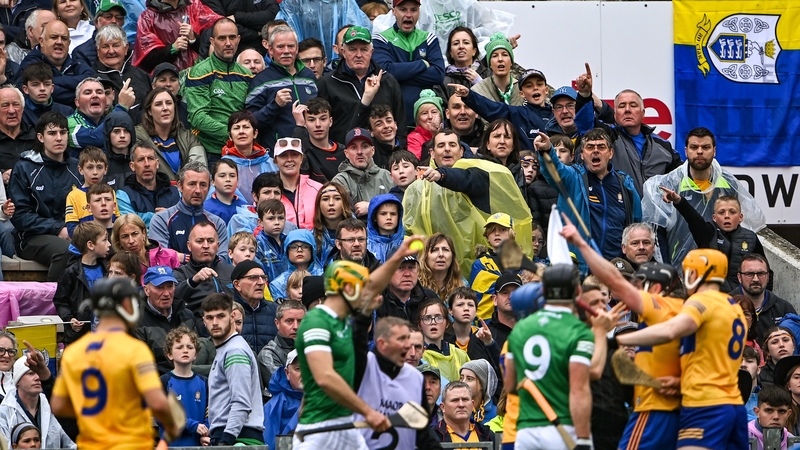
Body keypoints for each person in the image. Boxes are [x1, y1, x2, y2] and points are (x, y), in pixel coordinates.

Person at [563, 218, 684, 450]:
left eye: (639, 283)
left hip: (655, 409)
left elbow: (613, 280)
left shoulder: (659, 309)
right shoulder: (683, 313)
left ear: (655, 289)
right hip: (677, 408)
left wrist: (581, 244)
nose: (633, 288)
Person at [292, 238, 422, 449]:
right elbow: (325, 377)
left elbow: (374, 283)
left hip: (345, 425)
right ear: (349, 290)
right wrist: (368, 411)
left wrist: (398, 256)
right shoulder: (317, 321)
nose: (369, 292)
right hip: (319, 432)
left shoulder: (341, 322)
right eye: (362, 288)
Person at [616, 248, 749, 450]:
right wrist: (680, 381)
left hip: (705, 403)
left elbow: (671, 330)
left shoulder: (701, 300)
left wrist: (620, 340)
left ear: (696, 273)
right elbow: (711, 357)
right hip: (733, 403)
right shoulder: (733, 306)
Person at [51, 277, 183, 448]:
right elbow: (157, 403)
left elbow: (58, 405)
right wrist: (172, 427)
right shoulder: (134, 349)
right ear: (128, 305)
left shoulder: (73, 352)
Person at [642, 127, 765, 268]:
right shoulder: (669, 185)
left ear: (714, 151)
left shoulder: (729, 184)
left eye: (705, 147)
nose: (699, 151)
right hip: (681, 270)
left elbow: (737, 229)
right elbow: (657, 235)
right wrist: (668, 271)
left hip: (720, 271)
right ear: (686, 151)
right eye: (694, 147)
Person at [504, 264, 594, 450]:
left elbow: (510, 385)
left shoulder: (521, 328)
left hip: (526, 433)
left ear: (543, 291)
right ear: (578, 290)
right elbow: (579, 391)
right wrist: (584, 439)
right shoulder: (578, 330)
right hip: (562, 429)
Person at [534, 128, 642, 272]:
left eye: (601, 147)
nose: (595, 151)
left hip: (616, 269)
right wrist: (547, 151)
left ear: (610, 153)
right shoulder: (572, 179)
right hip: (581, 268)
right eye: (590, 147)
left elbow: (636, 225)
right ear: (582, 155)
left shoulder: (625, 185)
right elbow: (555, 170)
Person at [352, 316, 443, 450]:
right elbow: (357, 340)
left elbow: (423, 434)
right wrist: (364, 311)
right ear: (382, 344)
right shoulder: (364, 366)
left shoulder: (416, 378)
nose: (407, 346)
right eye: (401, 339)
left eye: (408, 338)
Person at [9, 112, 81, 281]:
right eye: (52, 133)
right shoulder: (24, 168)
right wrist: (57, 228)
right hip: (31, 237)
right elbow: (20, 216)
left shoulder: (78, 168)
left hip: (74, 232)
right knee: (67, 250)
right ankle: (55, 303)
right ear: (41, 137)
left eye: (63, 133)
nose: (59, 138)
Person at [317, 25, 406, 145]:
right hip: (343, 154)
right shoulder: (328, 82)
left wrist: (398, 148)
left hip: (382, 156)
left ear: (371, 52)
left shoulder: (388, 81)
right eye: (352, 49)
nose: (358, 55)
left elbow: (400, 123)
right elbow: (322, 126)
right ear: (343, 51)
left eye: (364, 49)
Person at [661, 189, 766, 291]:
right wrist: (679, 201)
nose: (726, 216)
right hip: (713, 298)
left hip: (742, 300)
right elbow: (693, 218)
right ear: (714, 218)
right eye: (721, 212)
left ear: (740, 217)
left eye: (732, 212)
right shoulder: (708, 233)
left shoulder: (751, 237)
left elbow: (765, 271)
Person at [588, 89, 681, 196]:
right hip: (619, 210)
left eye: (633, 105)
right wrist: (585, 96)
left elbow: (682, 177)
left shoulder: (662, 145)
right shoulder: (608, 137)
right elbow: (585, 124)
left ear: (643, 113)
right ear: (615, 115)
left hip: (655, 212)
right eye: (622, 106)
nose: (627, 110)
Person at [184, 18, 252, 164]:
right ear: (212, 41)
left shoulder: (247, 75)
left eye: (232, 37)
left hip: (241, 151)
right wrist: (231, 134)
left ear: (238, 39)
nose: (228, 43)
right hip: (211, 152)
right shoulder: (200, 72)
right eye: (222, 38)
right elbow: (198, 117)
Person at [201, 293, 265, 445]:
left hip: (238, 437)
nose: (215, 322)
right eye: (209, 318)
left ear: (232, 318)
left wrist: (226, 441)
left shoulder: (234, 350)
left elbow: (241, 402)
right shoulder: (227, 349)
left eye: (221, 316)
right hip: (232, 434)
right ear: (203, 321)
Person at [245, 25, 317, 150]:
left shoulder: (309, 76)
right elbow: (250, 122)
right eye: (280, 47)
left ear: (297, 49)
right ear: (270, 50)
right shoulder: (261, 80)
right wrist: (275, 105)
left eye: (290, 46)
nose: (286, 51)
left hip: (311, 149)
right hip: (279, 152)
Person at [373, 0, 444, 126]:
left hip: (425, 121)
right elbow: (384, 72)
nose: (409, 14)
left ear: (419, 12)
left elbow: (438, 74)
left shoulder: (429, 39)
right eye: (403, 9)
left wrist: (399, 76)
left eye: (413, 10)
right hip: (393, 120)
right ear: (393, 11)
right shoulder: (381, 39)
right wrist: (422, 64)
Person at [149, 161, 229, 255]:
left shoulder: (218, 224)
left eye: (203, 185)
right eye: (192, 184)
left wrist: (179, 257)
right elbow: (160, 258)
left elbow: (222, 259)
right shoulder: (162, 220)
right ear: (180, 186)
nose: (198, 190)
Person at [53, 221, 110, 344]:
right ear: (90, 245)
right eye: (105, 240)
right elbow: (60, 301)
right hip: (78, 338)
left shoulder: (108, 270)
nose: (109, 244)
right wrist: (70, 319)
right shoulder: (71, 272)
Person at [0, 356, 75, 448]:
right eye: (31, 373)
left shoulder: (54, 405)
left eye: (39, 373)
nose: (37, 377)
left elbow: (72, 444)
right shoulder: (4, 412)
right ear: (17, 381)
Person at [135, 265, 199, 374]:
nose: (166, 293)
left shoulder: (186, 314)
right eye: (159, 288)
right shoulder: (137, 321)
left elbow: (197, 352)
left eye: (170, 286)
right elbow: (141, 365)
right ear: (146, 290)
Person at [134, 88, 206, 182]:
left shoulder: (188, 137)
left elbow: (199, 171)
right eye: (158, 104)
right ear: (149, 111)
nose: (165, 108)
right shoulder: (137, 136)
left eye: (169, 103)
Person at [17, 20, 95, 105]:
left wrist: (54, 81)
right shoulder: (30, 63)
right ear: (41, 41)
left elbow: (91, 79)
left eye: (64, 38)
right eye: (54, 37)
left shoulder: (76, 61)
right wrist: (81, 94)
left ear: (69, 43)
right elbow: (44, 93)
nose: (59, 42)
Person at [132, 0, 220, 73]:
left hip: (198, 77)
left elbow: (218, 35)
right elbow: (146, 60)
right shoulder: (147, 17)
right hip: (166, 81)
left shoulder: (195, 7)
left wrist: (193, 39)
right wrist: (172, 49)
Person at [160, 327, 210, 446]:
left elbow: (209, 414)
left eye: (190, 347)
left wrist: (205, 433)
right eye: (179, 347)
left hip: (197, 445)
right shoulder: (164, 381)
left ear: (196, 354)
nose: (185, 350)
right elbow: (162, 416)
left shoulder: (204, 382)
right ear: (169, 354)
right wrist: (193, 426)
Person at [173, 221, 235, 318]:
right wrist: (192, 281)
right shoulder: (180, 274)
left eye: (210, 241)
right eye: (199, 241)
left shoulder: (231, 272)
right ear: (189, 246)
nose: (206, 246)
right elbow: (171, 301)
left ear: (218, 246)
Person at [331, 128, 394, 218]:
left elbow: (399, 208)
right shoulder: (340, 181)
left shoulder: (387, 176)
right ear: (346, 153)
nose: (359, 152)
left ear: (372, 150)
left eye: (364, 146)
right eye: (354, 147)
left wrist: (371, 206)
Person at [91, 24, 150, 119]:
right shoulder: (92, 81)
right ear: (98, 51)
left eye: (116, 45)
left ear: (126, 48)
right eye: (105, 46)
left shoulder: (142, 76)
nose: (111, 51)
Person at [221, 110, 278, 205]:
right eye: (236, 128)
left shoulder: (270, 163)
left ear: (255, 133)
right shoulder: (223, 166)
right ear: (230, 136)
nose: (241, 132)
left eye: (246, 127)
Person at [116, 142, 181, 226]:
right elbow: (132, 231)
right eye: (141, 159)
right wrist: (165, 218)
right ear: (132, 166)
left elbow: (186, 224)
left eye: (150, 158)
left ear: (157, 163)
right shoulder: (124, 196)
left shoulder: (176, 192)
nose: (147, 164)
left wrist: (169, 217)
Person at [736, 254, 796, 344]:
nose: (755, 279)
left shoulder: (784, 309)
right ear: (739, 277)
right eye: (749, 274)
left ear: (768, 276)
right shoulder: (726, 306)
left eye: (761, 274)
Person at [66, 76, 133, 152]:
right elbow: (96, 139)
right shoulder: (68, 123)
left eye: (99, 92)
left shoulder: (109, 117)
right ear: (77, 102)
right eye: (88, 93)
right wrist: (122, 107)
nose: (95, 95)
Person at [291, 97, 345, 184]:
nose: (318, 124)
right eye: (311, 120)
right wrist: (299, 126)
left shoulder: (344, 152)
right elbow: (297, 160)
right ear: (305, 123)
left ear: (330, 121)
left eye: (323, 119)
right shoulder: (305, 151)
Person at [375, 250, 438, 322]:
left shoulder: (429, 297)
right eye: (400, 268)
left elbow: (447, 331)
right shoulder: (378, 300)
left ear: (418, 271)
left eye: (411, 268)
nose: (407, 274)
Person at [112, 214, 182, 278]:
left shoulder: (170, 256)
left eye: (135, 234)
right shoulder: (118, 267)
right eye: (125, 236)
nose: (131, 241)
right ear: (118, 241)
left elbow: (180, 285)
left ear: (144, 233)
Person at [230, 260, 278, 353]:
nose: (261, 282)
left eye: (263, 277)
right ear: (237, 284)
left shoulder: (276, 311)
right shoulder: (227, 312)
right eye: (253, 278)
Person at [275, 136, 322, 230]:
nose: (289, 159)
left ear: (301, 159)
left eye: (294, 155)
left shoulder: (318, 189)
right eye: (283, 155)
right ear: (276, 160)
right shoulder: (267, 191)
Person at [201, 0, 278, 54]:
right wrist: (257, 33)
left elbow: (272, 15)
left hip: (261, 49)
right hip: (230, 49)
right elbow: (222, 25)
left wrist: (237, 17)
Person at [262, 349, 303, 449]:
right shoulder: (275, 404)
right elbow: (268, 442)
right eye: (298, 369)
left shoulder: (329, 399)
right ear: (287, 373)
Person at [269, 229, 323, 300]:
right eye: (294, 247)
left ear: (313, 250)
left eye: (305, 246)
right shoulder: (278, 284)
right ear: (286, 251)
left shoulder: (323, 277)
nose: (299, 250)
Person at [257, 300, 305, 381]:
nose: (296, 326)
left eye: (300, 321)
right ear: (277, 323)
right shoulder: (269, 354)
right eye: (289, 321)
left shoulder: (313, 348)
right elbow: (285, 386)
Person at [70, 0, 127, 66]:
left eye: (119, 18)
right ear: (96, 22)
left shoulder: (131, 51)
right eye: (108, 17)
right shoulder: (81, 53)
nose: (114, 21)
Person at [20, 62, 73, 129]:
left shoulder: (66, 111)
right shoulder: (20, 113)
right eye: (35, 85)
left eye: (47, 84)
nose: (42, 89)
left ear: (52, 88)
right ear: (25, 89)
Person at [312, 182, 353, 264]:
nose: (331, 203)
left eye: (337, 198)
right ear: (318, 205)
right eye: (325, 199)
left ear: (344, 203)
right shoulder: (311, 237)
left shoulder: (359, 233)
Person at [0, 85, 38, 174]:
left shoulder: (36, 136)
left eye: (16, 104)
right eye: (5, 105)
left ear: (22, 109)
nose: (12, 111)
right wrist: (1, 177)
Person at [419, 233, 465, 301]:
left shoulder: (463, 284)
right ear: (426, 256)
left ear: (452, 256)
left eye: (445, 249)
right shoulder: (416, 285)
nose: (441, 254)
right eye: (435, 250)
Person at [443, 26, 489, 91]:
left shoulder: (488, 74)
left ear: (474, 51)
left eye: (466, 43)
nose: (461, 46)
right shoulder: (442, 79)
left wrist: (480, 84)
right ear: (450, 52)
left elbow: (498, 99)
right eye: (456, 43)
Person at [748, 385, 794, 450]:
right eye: (769, 410)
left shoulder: (794, 442)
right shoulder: (740, 438)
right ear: (757, 412)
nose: (776, 417)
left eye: (782, 411)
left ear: (788, 414)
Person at [203, 159, 248, 225]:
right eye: (222, 176)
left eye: (232, 176)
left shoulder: (245, 208)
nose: (228, 179)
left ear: (237, 181)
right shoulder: (205, 209)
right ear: (213, 181)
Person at [255, 199, 289, 281]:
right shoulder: (257, 245)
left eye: (280, 218)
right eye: (271, 218)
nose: (277, 222)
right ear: (260, 222)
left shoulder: (290, 241)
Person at [366, 194, 404, 263]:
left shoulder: (406, 243)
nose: (389, 217)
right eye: (383, 214)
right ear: (374, 217)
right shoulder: (366, 245)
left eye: (393, 214)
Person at [460, 359, 498, 424]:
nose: (463, 382)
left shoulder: (496, 415)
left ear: (482, 384)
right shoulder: (455, 411)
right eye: (461, 378)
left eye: (469, 379)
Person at [406, 89, 442, 159]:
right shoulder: (413, 138)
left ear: (440, 116)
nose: (430, 117)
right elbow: (417, 164)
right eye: (424, 113)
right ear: (418, 120)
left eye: (434, 112)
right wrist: (434, 137)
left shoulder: (449, 134)